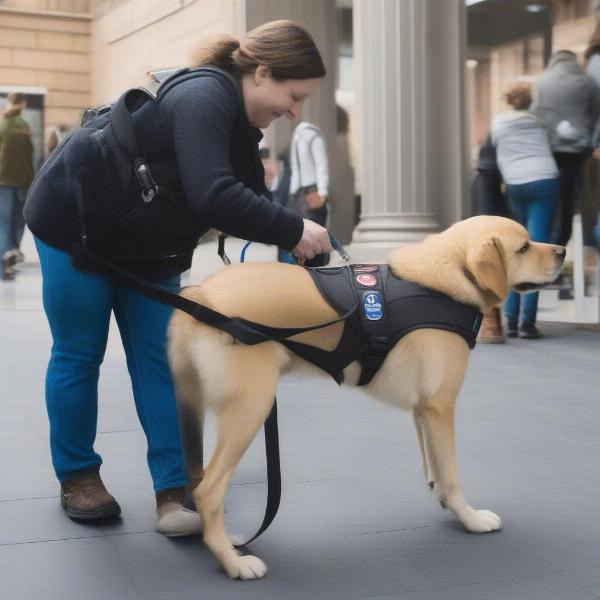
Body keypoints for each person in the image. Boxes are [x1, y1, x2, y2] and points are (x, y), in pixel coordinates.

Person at [23, 20, 332, 535]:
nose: (294, 111)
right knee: (79, 353)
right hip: (72, 226)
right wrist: (295, 228)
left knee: (160, 361)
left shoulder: (240, 128)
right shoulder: (204, 94)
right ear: (259, 73)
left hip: (149, 244)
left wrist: (325, 250)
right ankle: (78, 476)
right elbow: (215, 196)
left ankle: (174, 491)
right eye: (293, 95)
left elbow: (254, 203)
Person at [491, 82, 559, 339]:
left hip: (515, 183)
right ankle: (527, 324)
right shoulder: (540, 121)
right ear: (531, 101)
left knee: (516, 248)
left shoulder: (498, 124)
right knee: (538, 247)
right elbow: (555, 141)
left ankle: (510, 319)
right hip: (544, 181)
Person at [532, 51, 600, 278]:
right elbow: (597, 116)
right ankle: (559, 253)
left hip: (548, 150)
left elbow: (536, 114)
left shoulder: (543, 81)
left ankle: (545, 261)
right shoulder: (588, 83)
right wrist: (591, 143)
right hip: (577, 153)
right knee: (571, 204)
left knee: (550, 206)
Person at [471, 133, 509, 343]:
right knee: (488, 247)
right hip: (493, 180)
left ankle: (498, 316)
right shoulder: (487, 176)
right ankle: (491, 315)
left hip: (519, 183)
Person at [0, 92, 33, 280]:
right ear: (23, 104)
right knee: (17, 222)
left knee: (3, 223)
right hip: (21, 181)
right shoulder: (24, 126)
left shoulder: (2, 123)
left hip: (2, 181)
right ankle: (11, 256)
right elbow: (28, 157)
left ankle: (3, 266)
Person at [289, 120, 330, 266]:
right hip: (300, 191)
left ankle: (317, 268)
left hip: (312, 189)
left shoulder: (312, 136)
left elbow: (321, 163)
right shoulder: (297, 136)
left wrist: (322, 191)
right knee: (303, 233)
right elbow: (296, 167)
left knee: (316, 231)